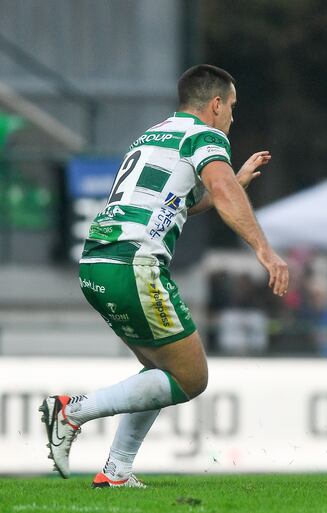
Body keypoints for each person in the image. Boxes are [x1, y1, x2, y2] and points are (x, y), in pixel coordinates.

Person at [39, 64, 289, 488]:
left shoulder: (153, 135)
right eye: (232, 106)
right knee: (191, 378)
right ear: (215, 104)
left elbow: (176, 204)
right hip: (135, 264)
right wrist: (264, 250)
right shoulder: (204, 136)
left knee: (159, 370)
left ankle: (117, 471)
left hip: (98, 261)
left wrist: (233, 182)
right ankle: (72, 411)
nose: (232, 117)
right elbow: (222, 192)